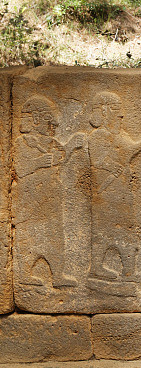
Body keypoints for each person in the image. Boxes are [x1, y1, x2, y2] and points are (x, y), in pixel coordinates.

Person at [14, 95, 83, 288]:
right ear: (36, 120)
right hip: (31, 201)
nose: (54, 128)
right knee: (29, 236)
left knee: (56, 237)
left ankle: (58, 275)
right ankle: (25, 274)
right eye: (50, 123)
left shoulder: (51, 143)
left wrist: (71, 145)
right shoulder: (23, 143)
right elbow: (19, 169)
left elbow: (60, 157)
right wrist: (37, 163)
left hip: (51, 200)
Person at [88, 91, 141, 283]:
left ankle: (128, 271)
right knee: (103, 230)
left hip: (123, 190)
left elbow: (127, 150)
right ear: (105, 111)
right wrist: (113, 166)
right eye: (117, 110)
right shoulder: (98, 135)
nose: (122, 115)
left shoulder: (121, 135)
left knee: (126, 229)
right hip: (105, 192)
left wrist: (140, 145)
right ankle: (97, 267)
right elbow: (97, 160)